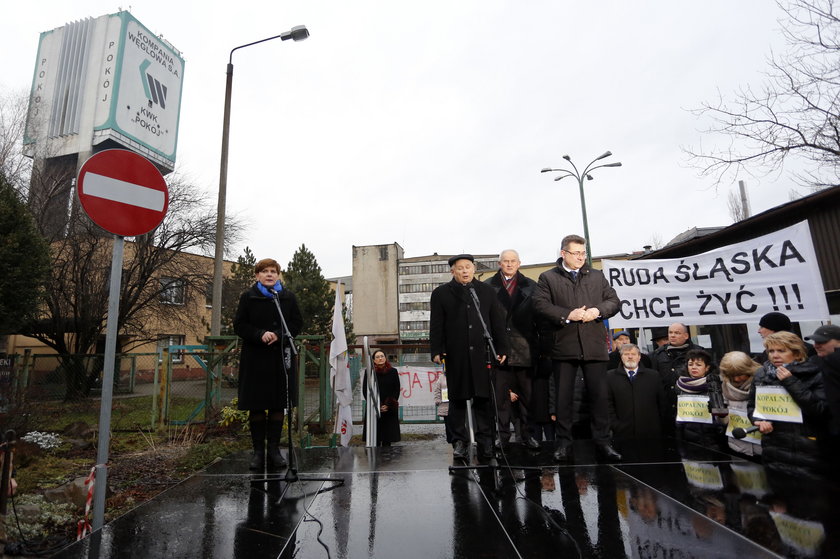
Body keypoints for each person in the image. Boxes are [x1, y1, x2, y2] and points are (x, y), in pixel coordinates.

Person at [533, 234, 622, 462]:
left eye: (584, 253)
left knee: (599, 397)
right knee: (563, 398)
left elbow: (614, 301)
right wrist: (567, 314)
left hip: (594, 345)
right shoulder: (548, 278)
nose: (581, 257)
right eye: (576, 253)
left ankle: (603, 442)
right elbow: (540, 305)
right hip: (564, 346)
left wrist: (597, 311)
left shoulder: (596, 276)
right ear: (563, 254)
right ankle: (564, 443)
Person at [430, 254, 508, 460]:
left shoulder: (486, 291)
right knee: (456, 399)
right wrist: (437, 349)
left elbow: (497, 322)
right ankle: (459, 441)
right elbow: (436, 324)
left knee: (484, 400)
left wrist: (502, 348)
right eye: (460, 268)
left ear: (474, 269)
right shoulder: (441, 293)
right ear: (452, 271)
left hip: (483, 355)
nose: (465, 271)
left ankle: (486, 442)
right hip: (456, 354)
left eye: (468, 267)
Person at [234, 258, 303, 471]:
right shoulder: (248, 297)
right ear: (257, 276)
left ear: (278, 275)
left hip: (279, 358)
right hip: (255, 359)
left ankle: (274, 450)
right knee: (256, 405)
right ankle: (258, 452)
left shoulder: (287, 297)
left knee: (276, 404)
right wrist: (259, 334)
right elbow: (239, 325)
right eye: (264, 271)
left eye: (273, 271)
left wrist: (279, 334)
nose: (269, 274)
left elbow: (296, 323)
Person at [748, 331, 828, 478]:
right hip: (773, 451)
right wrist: (758, 420)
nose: (775, 355)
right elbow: (753, 406)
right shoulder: (761, 374)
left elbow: (820, 410)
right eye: (771, 351)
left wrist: (791, 382)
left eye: (781, 351)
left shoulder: (814, 374)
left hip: (807, 452)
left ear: (797, 354)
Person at [484, 249, 541, 450]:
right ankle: (502, 435)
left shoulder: (531, 286)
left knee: (527, 397)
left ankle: (527, 434)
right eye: (505, 261)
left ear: (519, 263)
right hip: (499, 350)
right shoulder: (488, 287)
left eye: (512, 261)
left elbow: (538, 318)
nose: (509, 264)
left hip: (524, 348)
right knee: (500, 398)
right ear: (499, 264)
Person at [650, 322, 705, 436]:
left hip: (692, 408)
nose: (672, 335)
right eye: (670, 332)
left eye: (677, 333)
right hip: (666, 409)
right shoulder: (657, 354)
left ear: (686, 336)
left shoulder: (700, 352)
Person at [606, 343, 667, 442]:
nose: (630, 357)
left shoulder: (653, 376)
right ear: (621, 357)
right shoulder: (610, 377)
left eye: (633, 354)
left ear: (639, 357)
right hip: (622, 434)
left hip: (651, 433)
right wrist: (616, 425)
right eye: (626, 354)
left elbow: (662, 404)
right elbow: (608, 405)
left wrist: (658, 424)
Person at [674, 349, 725, 451]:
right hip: (687, 438)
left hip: (711, 438)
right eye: (690, 364)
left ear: (707, 368)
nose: (693, 367)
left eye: (698, 364)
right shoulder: (679, 385)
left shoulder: (716, 384)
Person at [718, 351, 762, 458]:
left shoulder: (763, 381)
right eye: (731, 375)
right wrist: (721, 415)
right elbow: (725, 420)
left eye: (740, 375)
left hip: (762, 446)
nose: (736, 379)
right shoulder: (725, 385)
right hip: (737, 445)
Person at [363, 350, 401, 446]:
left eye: (382, 356)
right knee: (374, 437)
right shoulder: (369, 372)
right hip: (373, 408)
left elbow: (396, 389)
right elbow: (365, 390)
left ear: (385, 358)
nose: (380, 358)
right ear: (373, 360)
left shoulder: (393, 371)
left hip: (388, 407)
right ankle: (375, 458)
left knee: (387, 438)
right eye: (377, 357)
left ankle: (387, 459)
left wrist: (388, 405)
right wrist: (376, 405)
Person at [432, 371, 454, 444]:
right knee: (448, 424)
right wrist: (437, 400)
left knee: (456, 422)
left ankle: (457, 440)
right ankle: (450, 440)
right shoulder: (441, 378)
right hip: (445, 405)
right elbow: (437, 390)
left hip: (455, 404)